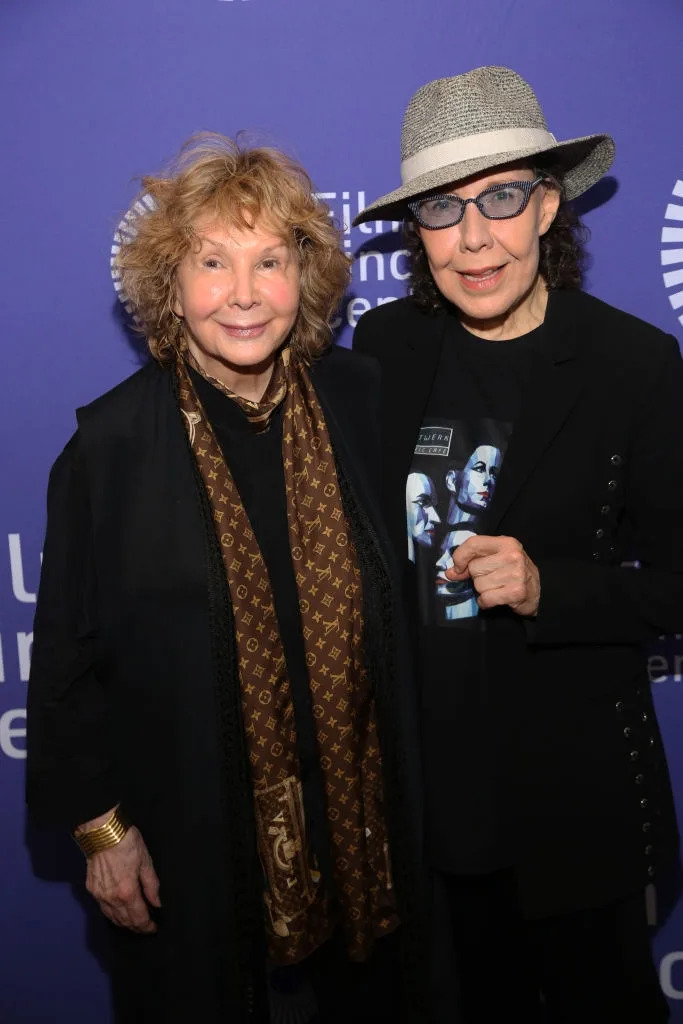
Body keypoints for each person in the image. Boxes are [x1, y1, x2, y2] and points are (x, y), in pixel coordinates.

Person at [26, 134, 427, 1024]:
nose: (243, 294)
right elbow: (64, 662)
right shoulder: (110, 449)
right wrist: (103, 834)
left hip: (370, 830)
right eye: (213, 262)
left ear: (305, 279)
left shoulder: (365, 404)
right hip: (191, 841)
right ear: (169, 286)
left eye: (269, 262)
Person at [353, 65, 683, 1022]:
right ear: (416, 233)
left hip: (572, 807)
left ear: (547, 206)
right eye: (442, 210)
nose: (473, 238)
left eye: (500, 197)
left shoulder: (633, 364)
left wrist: (553, 590)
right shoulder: (384, 351)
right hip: (422, 810)